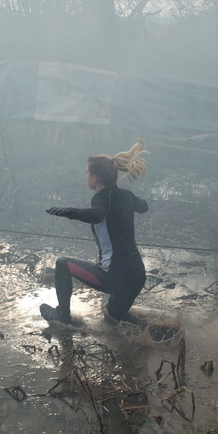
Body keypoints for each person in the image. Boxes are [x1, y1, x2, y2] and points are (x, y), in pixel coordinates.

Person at [40, 139, 150, 327]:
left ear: (96, 177)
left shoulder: (100, 198)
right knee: (115, 315)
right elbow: (144, 207)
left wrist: (69, 212)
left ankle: (62, 315)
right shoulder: (126, 195)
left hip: (114, 277)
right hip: (137, 276)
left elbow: (97, 215)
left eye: (87, 172)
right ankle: (153, 334)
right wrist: (128, 202)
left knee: (62, 264)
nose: (86, 176)